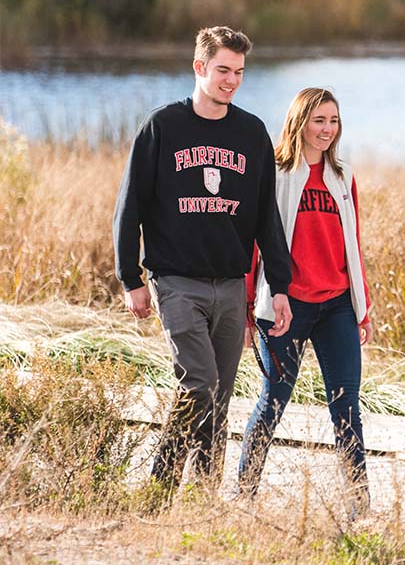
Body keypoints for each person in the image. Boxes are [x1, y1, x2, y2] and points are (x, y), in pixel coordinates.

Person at [113, 26, 293, 502]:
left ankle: (205, 495)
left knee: (220, 397)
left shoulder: (251, 132)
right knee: (199, 383)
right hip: (176, 282)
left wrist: (280, 284)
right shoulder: (162, 127)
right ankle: (160, 488)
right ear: (199, 67)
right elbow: (129, 205)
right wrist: (130, 278)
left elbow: (264, 216)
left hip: (231, 284)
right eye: (222, 71)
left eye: (238, 72)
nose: (231, 81)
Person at [239, 88, 373, 521]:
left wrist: (362, 308)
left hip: (336, 306)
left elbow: (351, 245)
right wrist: (247, 309)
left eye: (333, 120)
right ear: (300, 121)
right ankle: (244, 493)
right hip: (284, 306)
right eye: (319, 120)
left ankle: (359, 506)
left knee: (346, 404)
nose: (327, 129)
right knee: (273, 400)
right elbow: (253, 246)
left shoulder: (342, 175)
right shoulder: (274, 173)